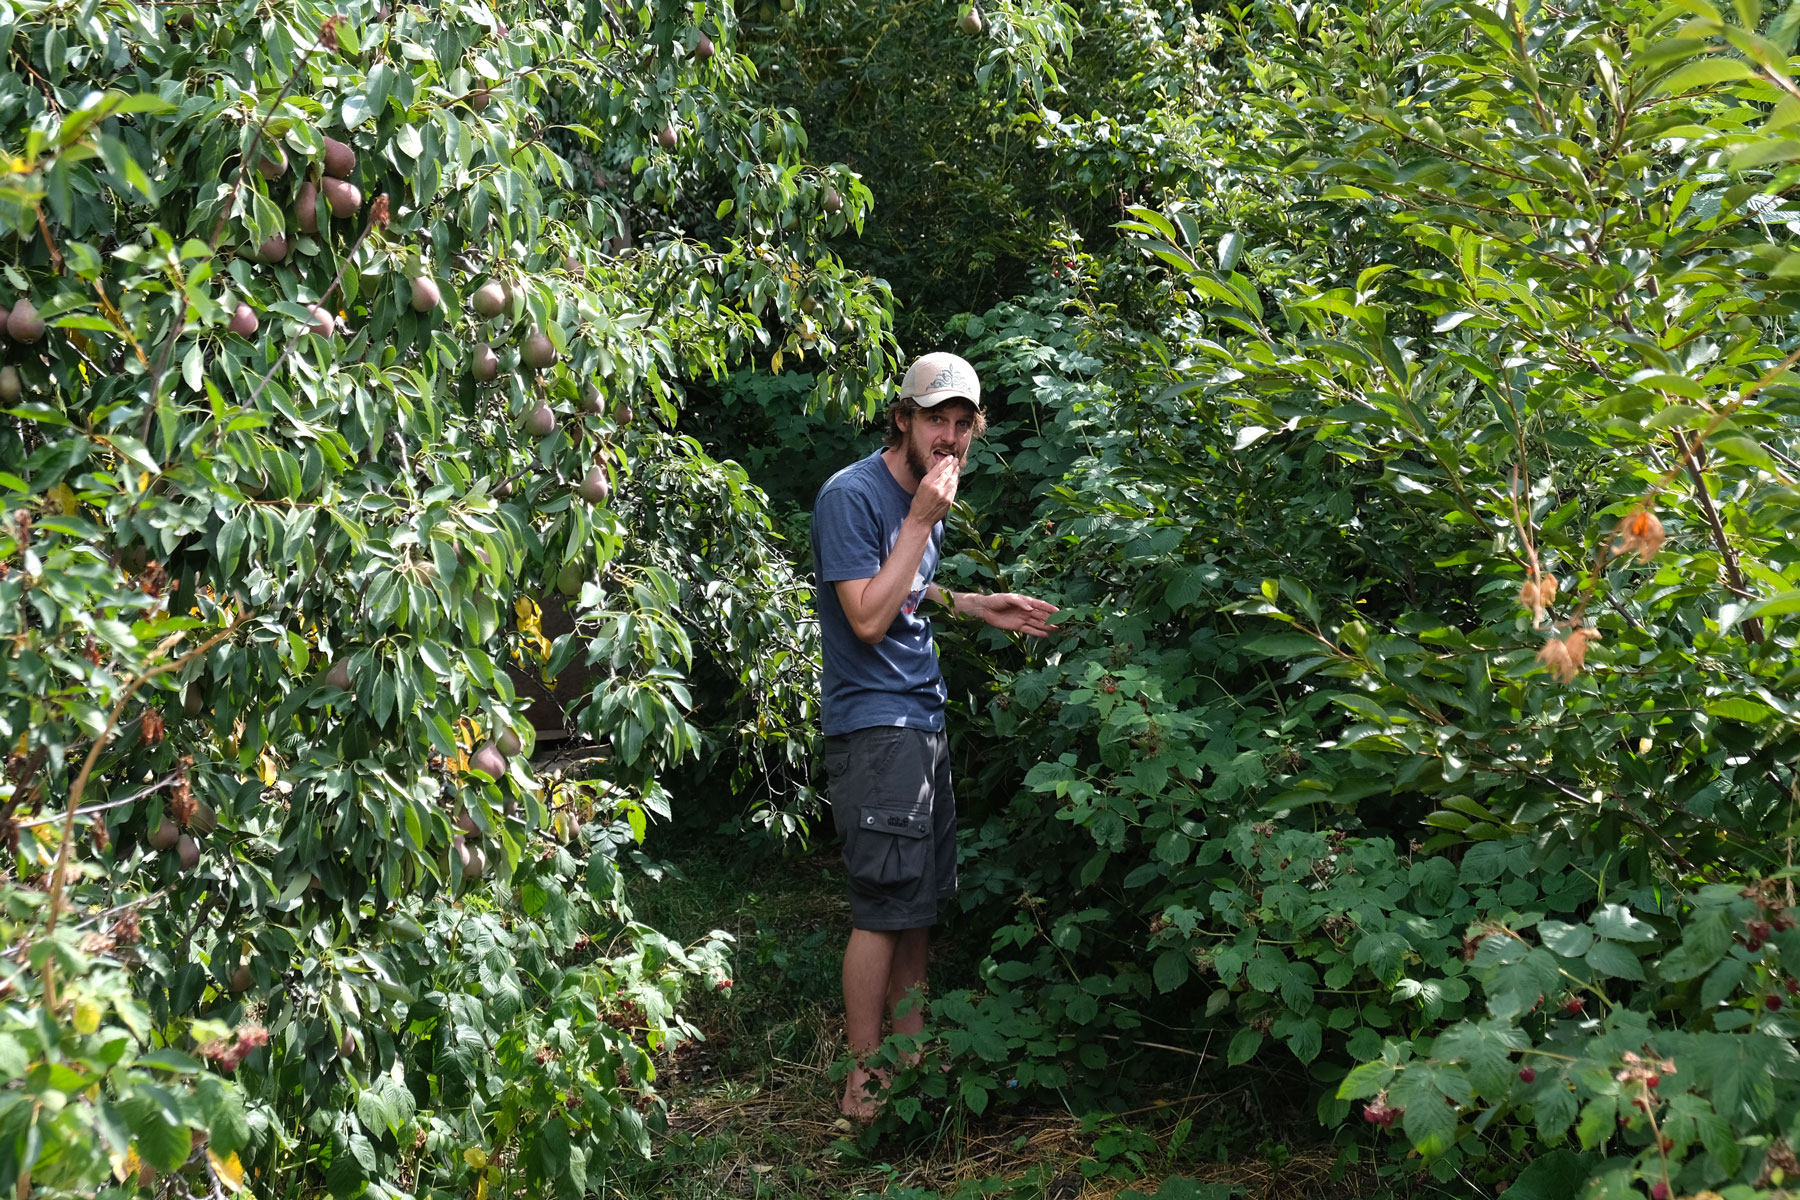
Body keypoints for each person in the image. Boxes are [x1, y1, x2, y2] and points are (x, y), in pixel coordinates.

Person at [810, 351, 1059, 1119]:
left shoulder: (924, 496)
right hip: (876, 726)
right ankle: (864, 1082)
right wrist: (921, 518)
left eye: (962, 424)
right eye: (935, 421)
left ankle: (911, 1060)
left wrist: (975, 603)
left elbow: (909, 590)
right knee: (881, 906)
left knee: (916, 906)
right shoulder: (852, 497)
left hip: (922, 718)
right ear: (903, 420)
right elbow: (867, 614)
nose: (949, 437)